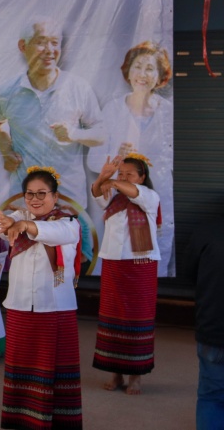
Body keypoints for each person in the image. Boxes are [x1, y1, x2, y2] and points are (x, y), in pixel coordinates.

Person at [0, 21, 104, 268]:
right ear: (23, 46)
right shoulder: (6, 91)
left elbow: (102, 133)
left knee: (71, 262)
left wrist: (74, 134)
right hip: (25, 196)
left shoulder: (78, 87)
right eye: (42, 42)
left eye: (55, 43)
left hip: (68, 195)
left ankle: (65, 293)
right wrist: (6, 150)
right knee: (25, 261)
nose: (50, 50)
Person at [0, 166, 82, 429]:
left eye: (42, 193)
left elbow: (54, 234)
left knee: (54, 366)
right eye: (30, 194)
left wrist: (25, 225)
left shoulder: (69, 222)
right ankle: (20, 418)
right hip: (20, 304)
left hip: (55, 307)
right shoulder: (17, 217)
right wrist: (12, 224)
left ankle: (56, 421)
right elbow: (4, 228)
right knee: (20, 364)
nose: (35, 199)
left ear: (55, 196)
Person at [88, 41, 174, 275]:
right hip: (119, 199)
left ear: (160, 76)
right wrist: (116, 155)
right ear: (128, 71)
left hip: (157, 197)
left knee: (154, 256)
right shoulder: (113, 109)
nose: (142, 74)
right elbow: (93, 160)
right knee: (119, 256)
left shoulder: (167, 111)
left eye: (150, 68)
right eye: (138, 67)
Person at [91, 153, 160, 395]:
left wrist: (114, 181)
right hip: (113, 264)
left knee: (137, 318)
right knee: (113, 317)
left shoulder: (149, 196)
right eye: (121, 173)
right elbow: (97, 193)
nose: (123, 177)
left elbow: (133, 192)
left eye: (129, 174)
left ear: (142, 177)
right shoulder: (114, 197)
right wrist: (103, 176)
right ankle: (116, 372)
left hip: (141, 265)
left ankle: (135, 376)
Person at [185, 213, 224, 430]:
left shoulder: (205, 231)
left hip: (212, 329)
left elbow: (191, 275)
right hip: (212, 328)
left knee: (212, 395)